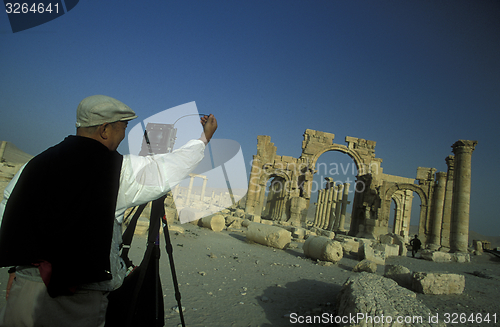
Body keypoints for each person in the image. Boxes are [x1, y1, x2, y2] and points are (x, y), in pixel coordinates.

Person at [0, 95, 217, 327]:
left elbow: (8, 210)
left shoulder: (35, 164)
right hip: (73, 302)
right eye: (122, 127)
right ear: (104, 129)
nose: (123, 135)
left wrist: (17, 267)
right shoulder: (115, 172)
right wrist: (204, 138)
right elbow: (167, 170)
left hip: (24, 291)